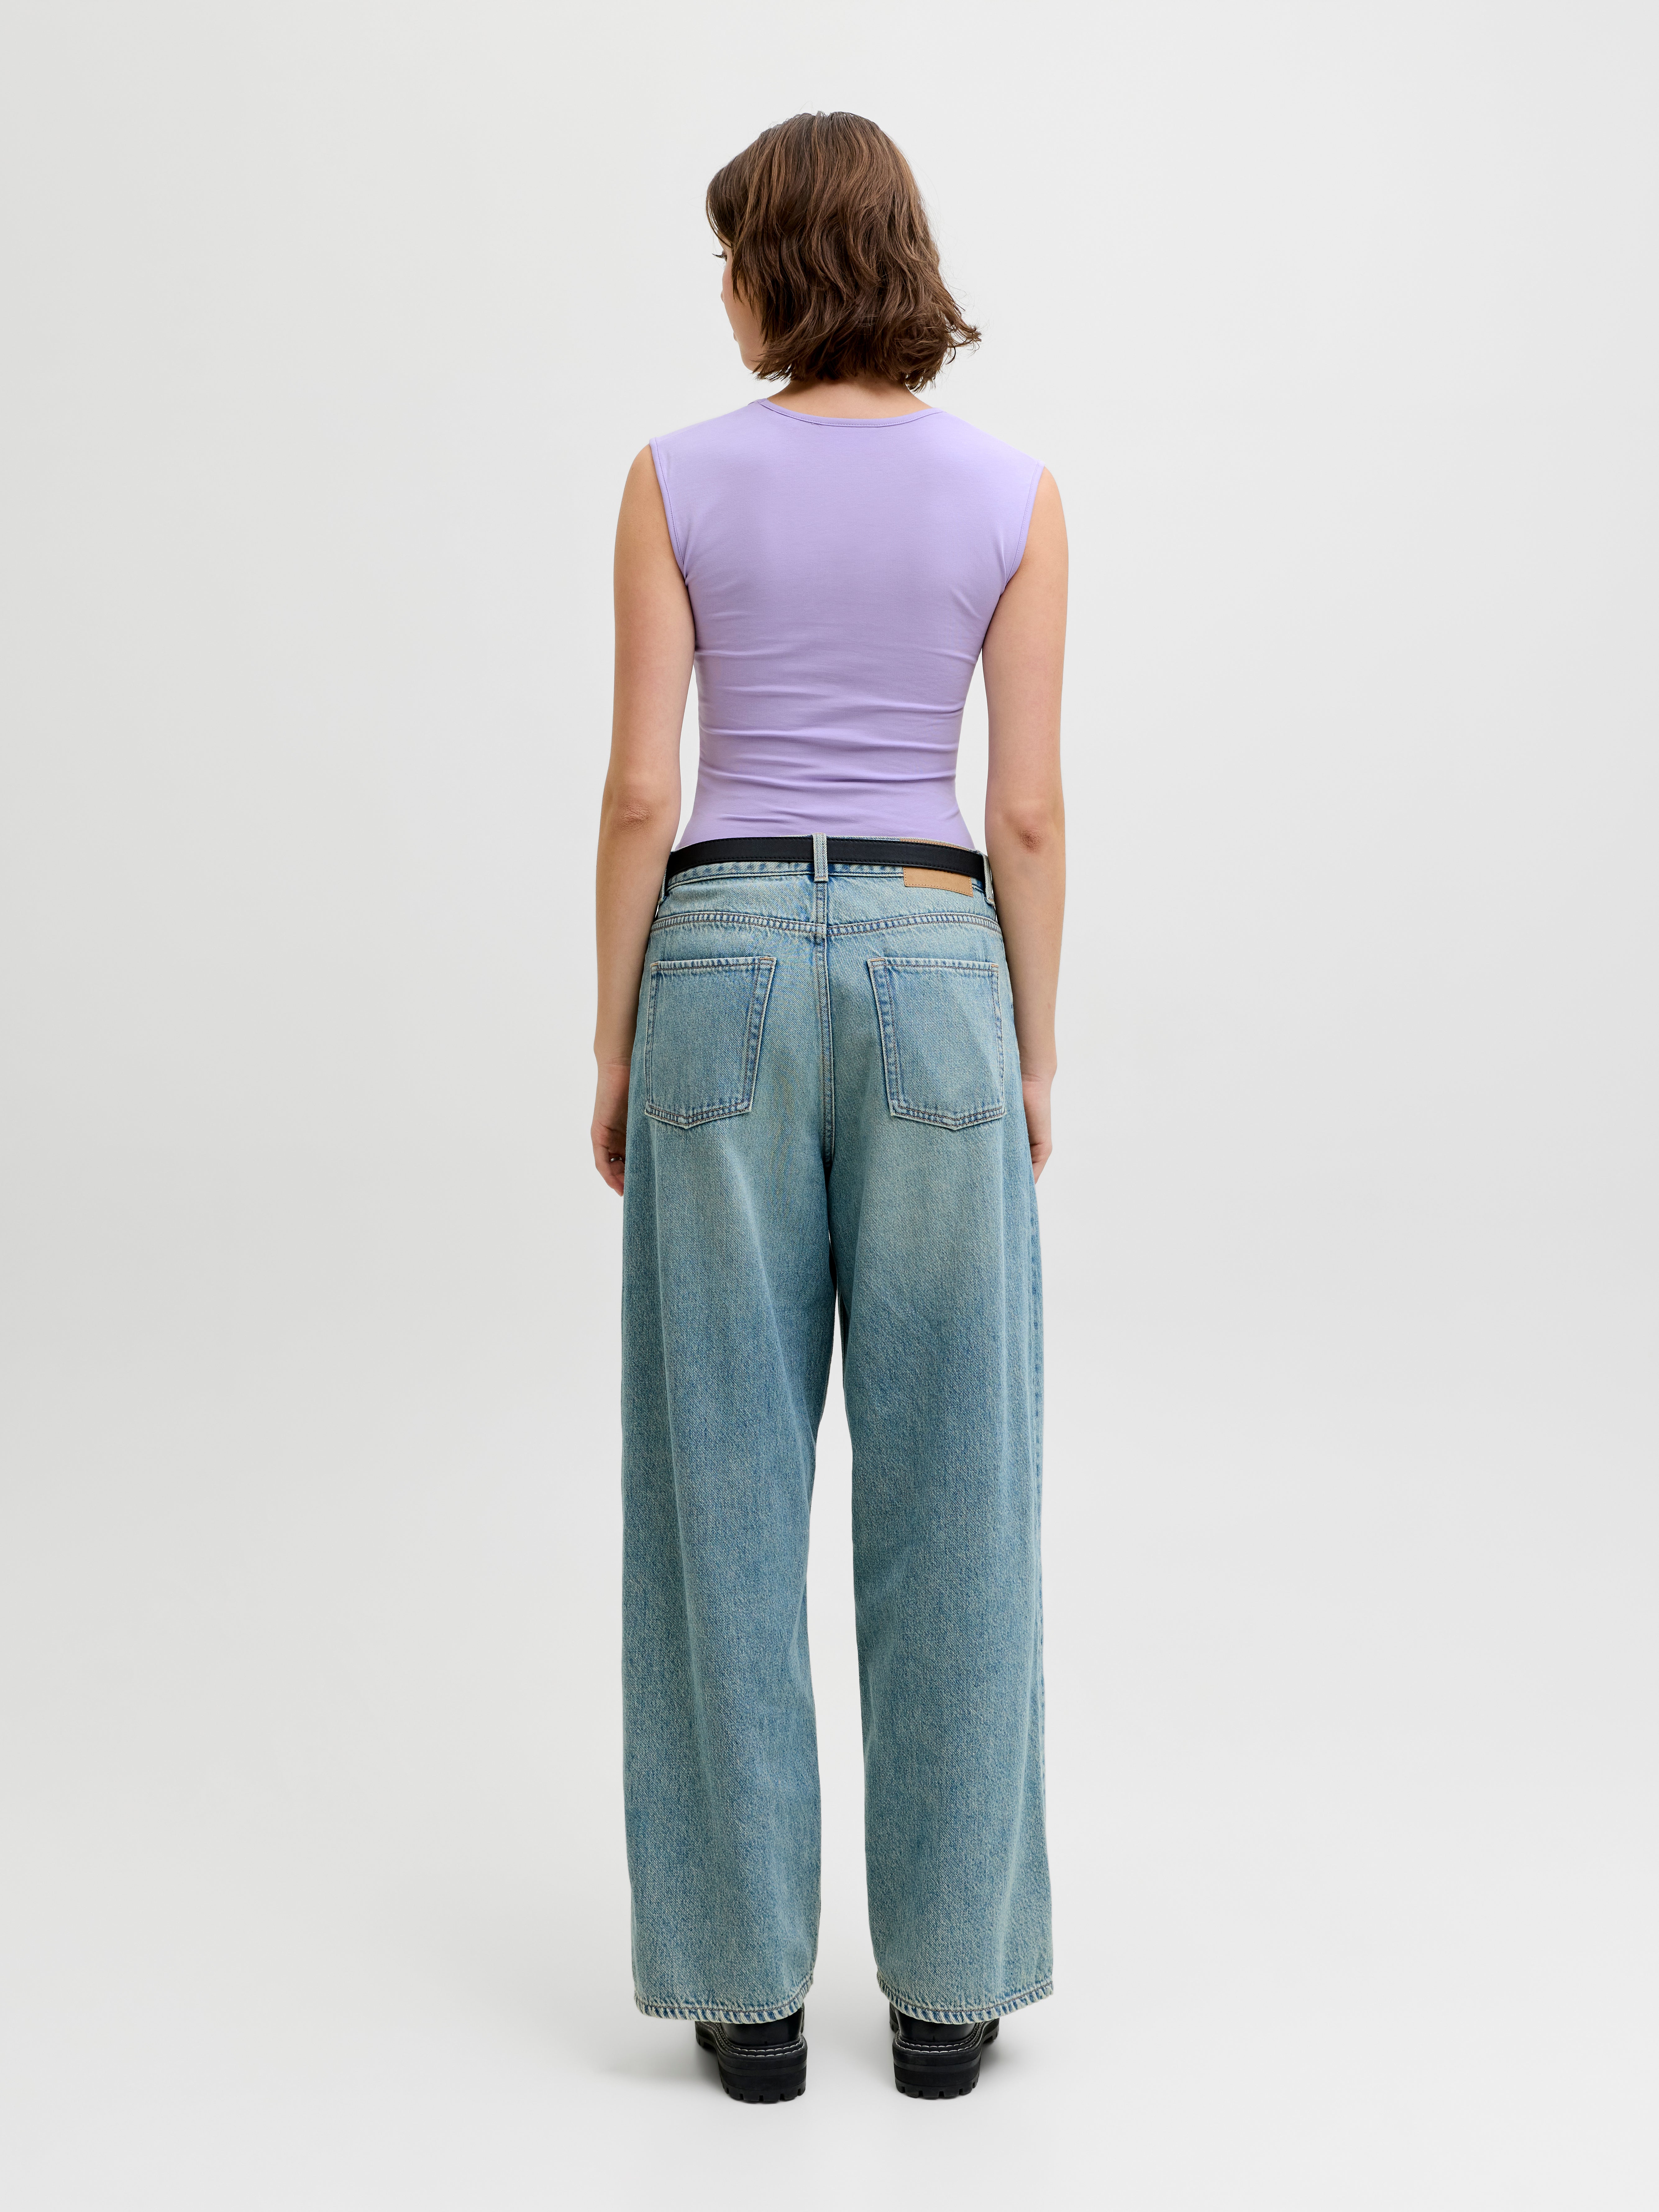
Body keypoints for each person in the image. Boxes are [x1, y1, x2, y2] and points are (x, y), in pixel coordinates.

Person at [590, 110, 1066, 2104]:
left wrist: (614, 1044)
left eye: (731, 256)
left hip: (716, 963)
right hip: (938, 955)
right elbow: (1024, 809)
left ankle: (747, 1994)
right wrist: (1031, 1049)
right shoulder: (1015, 493)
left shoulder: (674, 479)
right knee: (958, 1482)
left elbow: (643, 787)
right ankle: (949, 1996)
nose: (721, 291)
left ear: (778, 269)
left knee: (717, 1481)